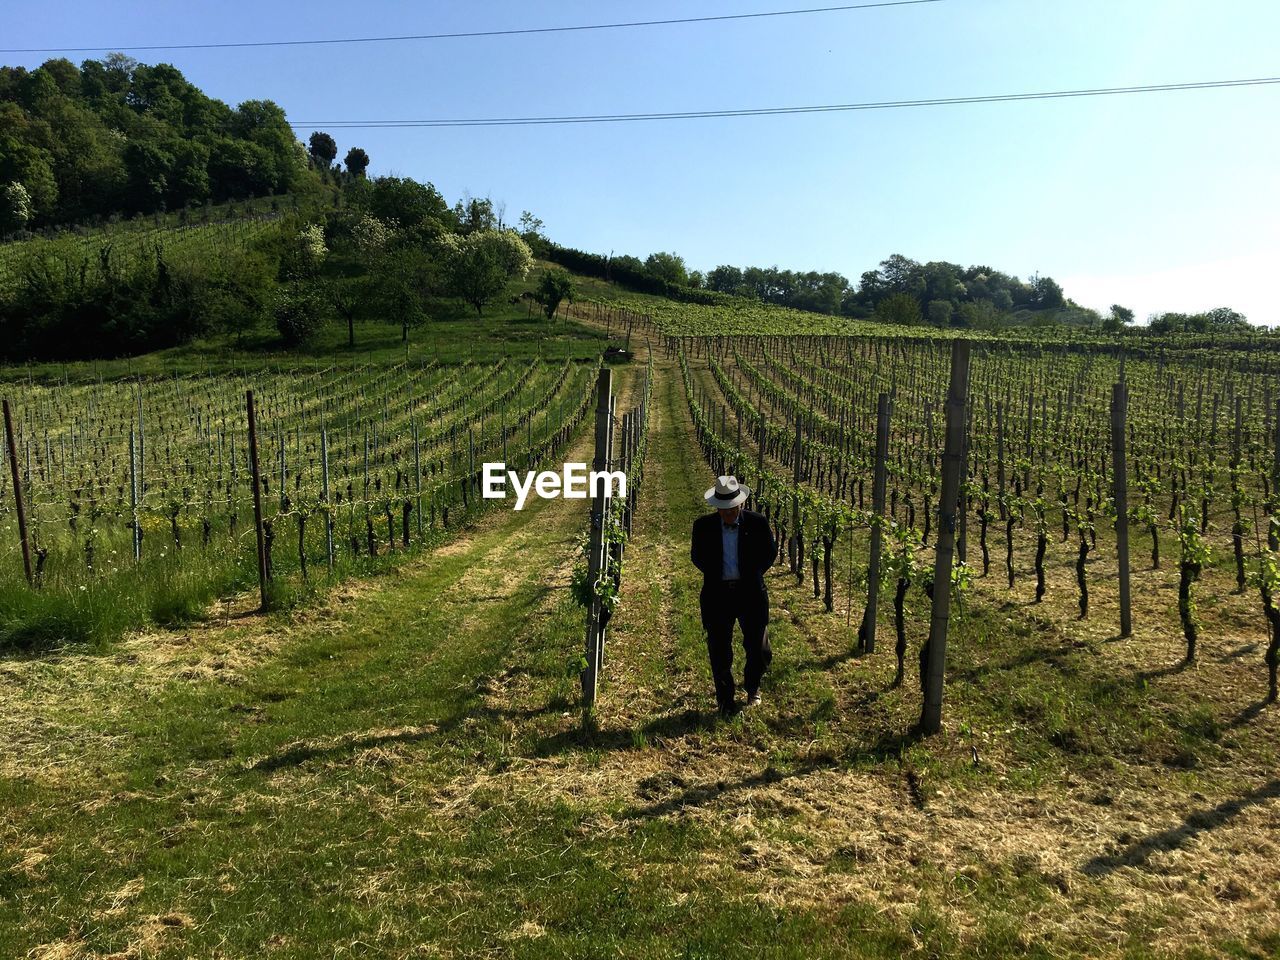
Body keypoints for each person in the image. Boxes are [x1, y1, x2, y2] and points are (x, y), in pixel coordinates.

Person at [690, 475, 778, 715]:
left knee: (758, 648)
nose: (728, 513)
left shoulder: (758, 523)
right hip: (718, 595)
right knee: (719, 650)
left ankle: (753, 687)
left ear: (741, 504)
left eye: (732, 508)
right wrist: (718, 573)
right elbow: (697, 557)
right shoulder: (703, 527)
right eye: (723, 509)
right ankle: (725, 699)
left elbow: (770, 552)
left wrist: (752, 573)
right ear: (716, 507)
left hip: (750, 593)